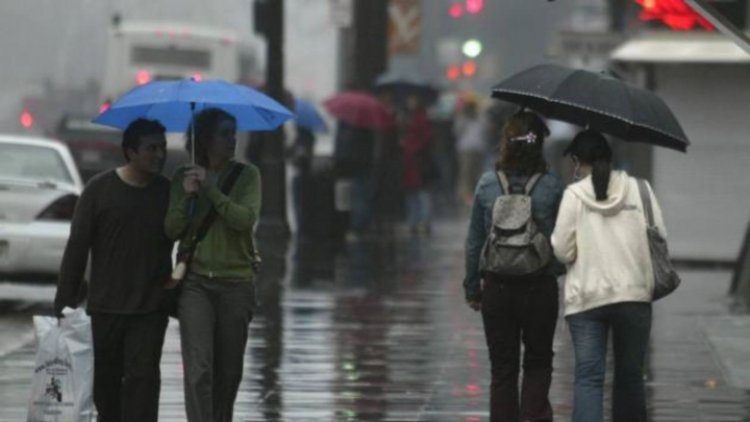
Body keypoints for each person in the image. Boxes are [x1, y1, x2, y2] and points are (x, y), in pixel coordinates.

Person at [54, 118, 172, 422]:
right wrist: (64, 302)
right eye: (151, 148)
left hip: (150, 309)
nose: (159, 154)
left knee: (143, 382)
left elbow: (189, 238)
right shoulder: (99, 190)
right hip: (105, 309)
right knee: (106, 388)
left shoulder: (168, 193)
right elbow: (77, 247)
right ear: (130, 152)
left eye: (163, 147)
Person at [551, 130, 664, 422]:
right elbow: (660, 237)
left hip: (587, 299)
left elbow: (562, 251)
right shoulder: (641, 190)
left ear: (578, 162)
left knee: (588, 377)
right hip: (633, 297)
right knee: (630, 376)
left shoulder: (574, 195)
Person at [463, 111, 564, 422]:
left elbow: (474, 242)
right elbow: (561, 243)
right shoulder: (551, 186)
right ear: (539, 145)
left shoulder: (487, 184)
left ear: (506, 143)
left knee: (503, 367)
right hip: (539, 288)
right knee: (538, 361)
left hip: (497, 287)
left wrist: (472, 287)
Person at [164, 108, 261, 422]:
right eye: (224, 133)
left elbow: (243, 220)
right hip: (196, 285)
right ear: (204, 139)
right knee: (199, 370)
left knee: (228, 373)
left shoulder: (248, 176)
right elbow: (172, 229)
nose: (232, 139)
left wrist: (212, 191)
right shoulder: (184, 176)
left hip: (236, 283)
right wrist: (186, 198)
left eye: (234, 133)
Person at [400, 94, 434, 235]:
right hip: (409, 163)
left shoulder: (421, 118)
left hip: (419, 163)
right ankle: (413, 221)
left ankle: (424, 221)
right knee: (411, 194)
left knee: (422, 193)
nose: (410, 102)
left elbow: (426, 139)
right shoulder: (407, 118)